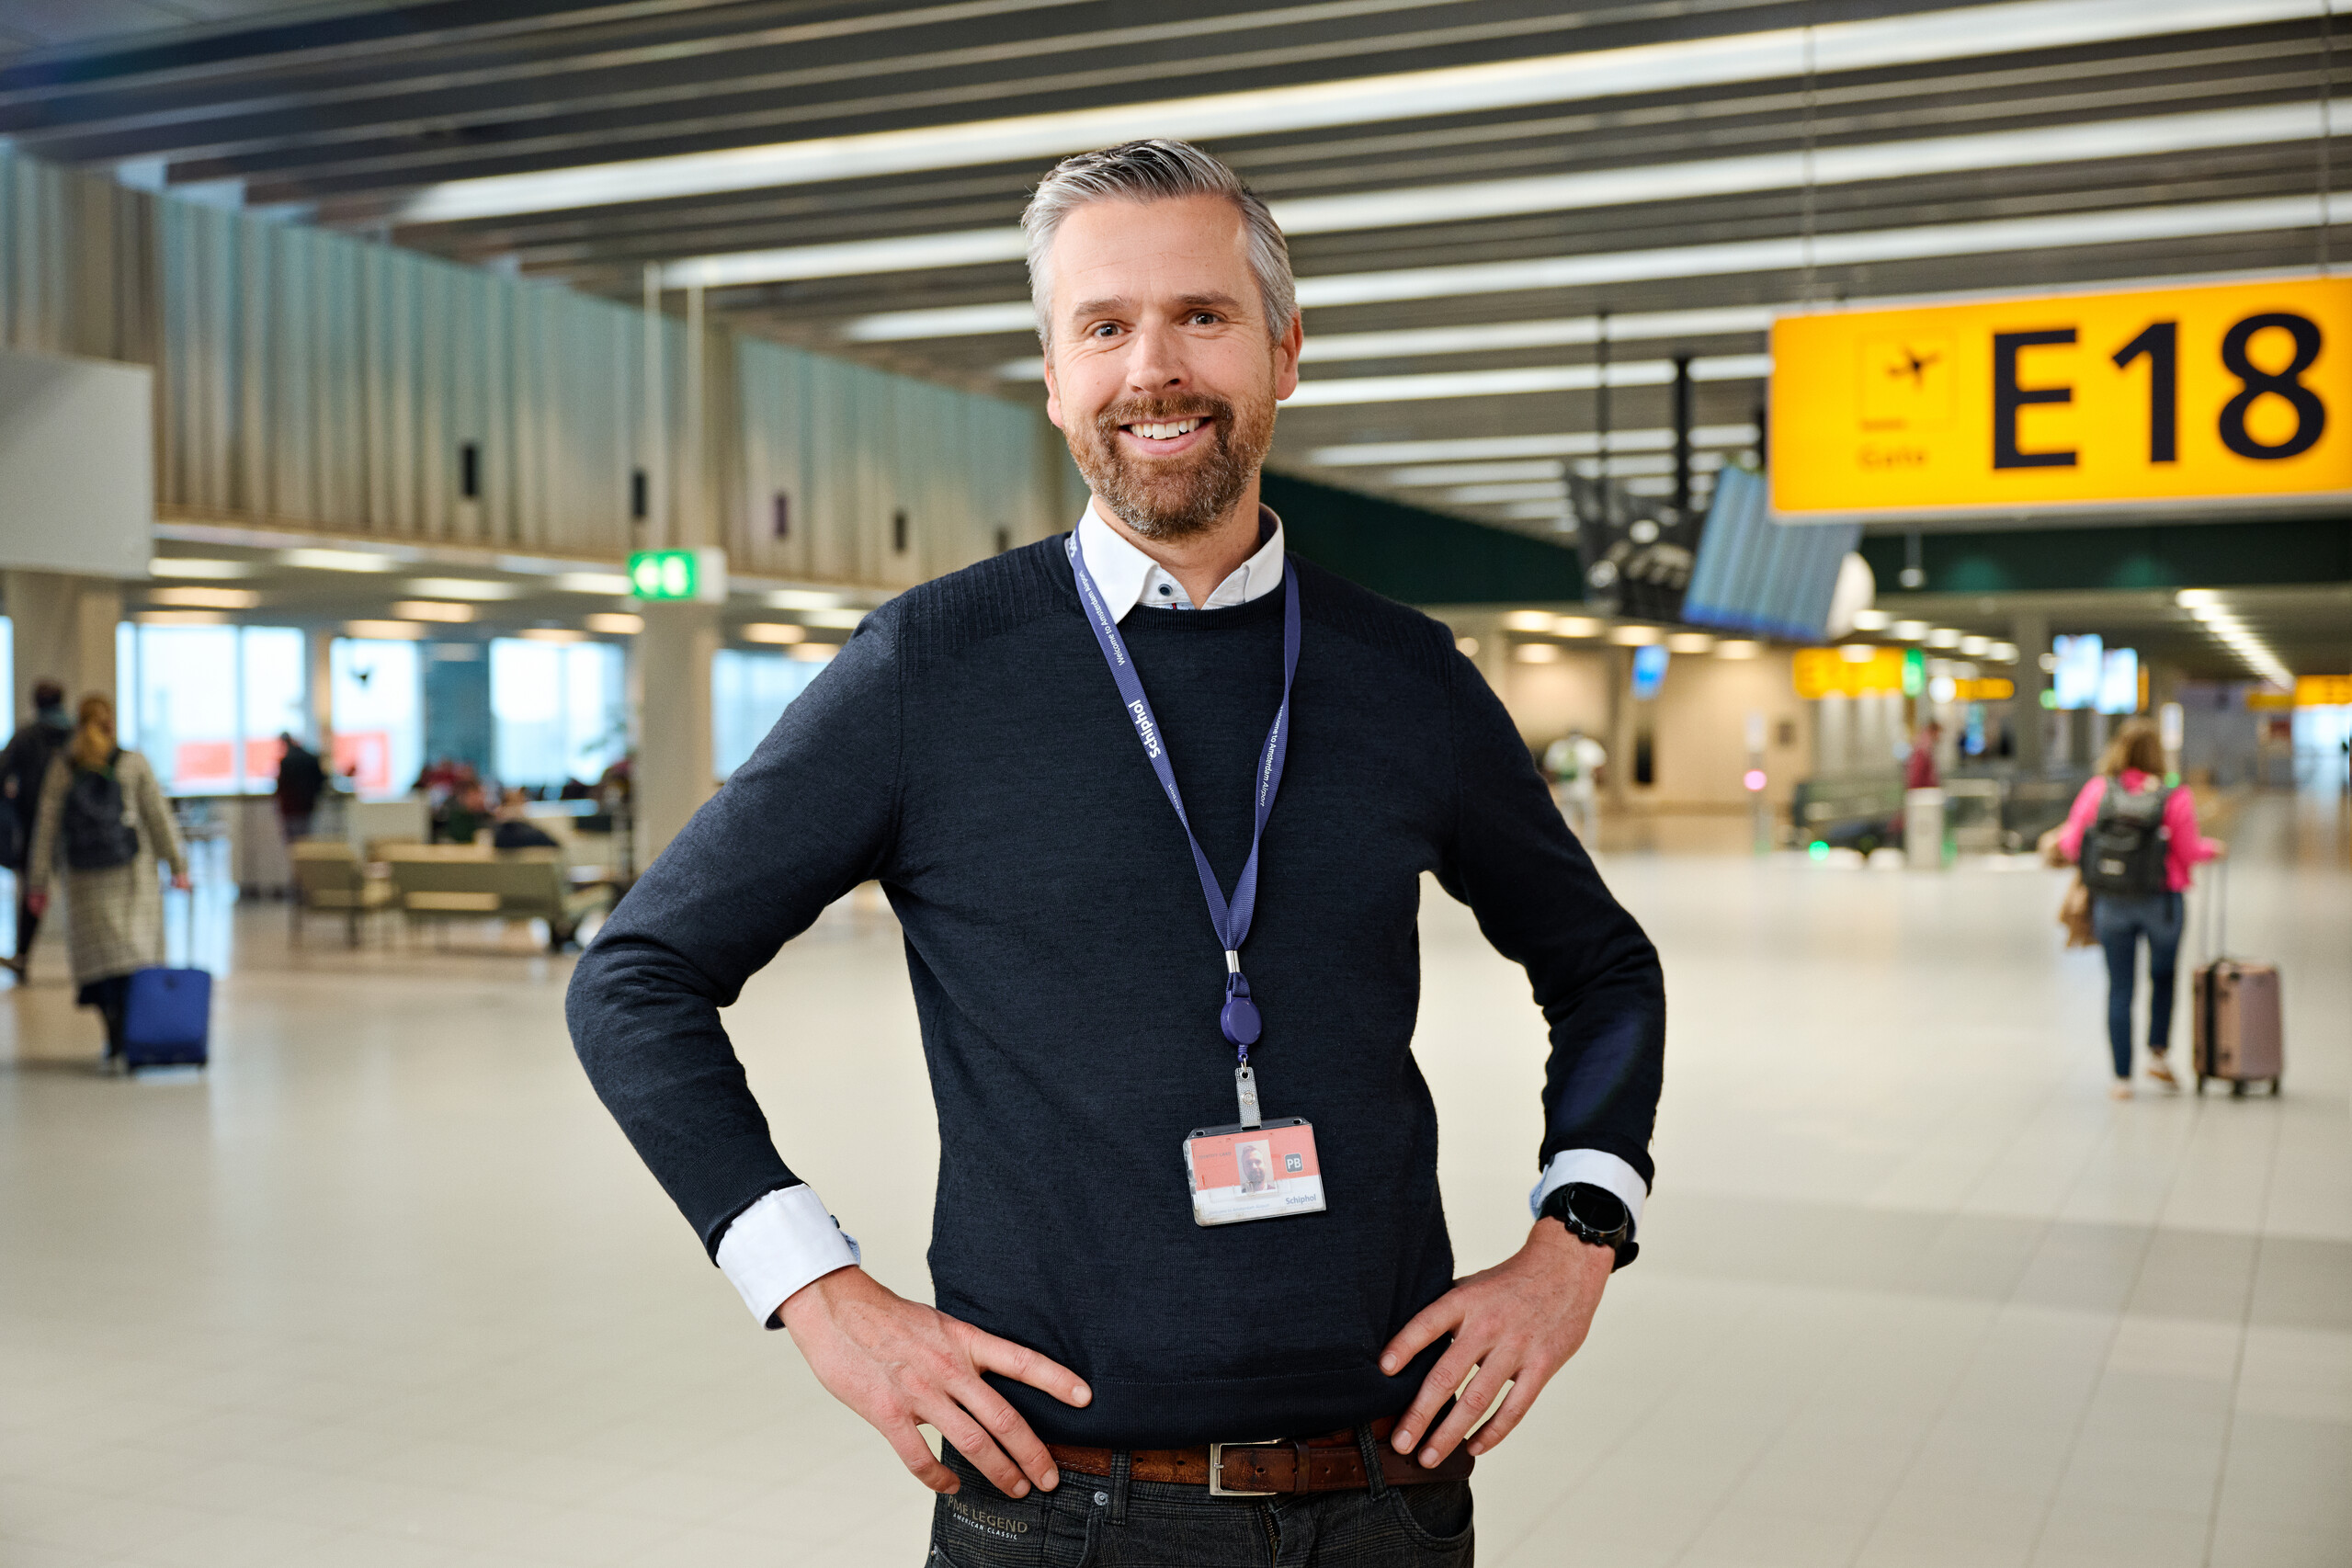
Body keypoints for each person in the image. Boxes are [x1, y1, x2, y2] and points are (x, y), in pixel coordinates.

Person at [568, 139, 1664, 1565]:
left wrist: (1574, 1239)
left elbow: (1601, 967)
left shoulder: (1403, 676)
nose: (1151, 367)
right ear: (1052, 376)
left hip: (1388, 1493)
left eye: (1199, 317)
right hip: (1058, 1509)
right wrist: (818, 1291)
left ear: (1282, 351)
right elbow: (636, 973)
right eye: (1102, 326)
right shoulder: (929, 668)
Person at [2055, 717, 2221, 1099]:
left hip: (2112, 903)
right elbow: (2189, 851)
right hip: (2162, 903)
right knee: (2162, 979)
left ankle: (2121, 1079)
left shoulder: (2099, 791)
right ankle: (2158, 1056)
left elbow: (2070, 845)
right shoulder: (2173, 795)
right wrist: (2214, 849)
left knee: (2120, 987)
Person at [25, 695, 189, 1061]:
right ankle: (130, 1029)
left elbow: (46, 827)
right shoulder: (133, 764)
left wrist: (37, 883)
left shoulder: (64, 768)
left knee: (100, 966)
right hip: (133, 877)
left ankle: (113, 1028)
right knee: (132, 959)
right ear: (111, 724)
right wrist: (178, 865)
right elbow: (158, 818)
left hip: (85, 882)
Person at [1, 678, 74, 978]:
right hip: (73, 825)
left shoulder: (26, 736)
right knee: (76, 888)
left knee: (34, 887)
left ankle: (22, 956)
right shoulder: (77, 736)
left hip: (32, 824)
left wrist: (12, 797)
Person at [1544, 729, 1606, 843]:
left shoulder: (1559, 747)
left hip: (1567, 790)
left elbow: (1550, 771)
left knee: (1568, 820)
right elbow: (1600, 768)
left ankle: (1570, 845)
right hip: (1583, 790)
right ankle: (1587, 847)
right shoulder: (1588, 746)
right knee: (1588, 821)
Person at [274, 731, 328, 842]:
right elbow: (322, 780)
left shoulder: (286, 762)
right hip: (307, 806)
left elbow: (281, 786)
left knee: (294, 843)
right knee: (305, 840)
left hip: (290, 809)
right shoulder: (310, 758)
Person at [1904, 719, 1942, 790]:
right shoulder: (1923, 751)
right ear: (1934, 732)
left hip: (1924, 791)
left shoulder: (1926, 749)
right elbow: (1916, 776)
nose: (1940, 737)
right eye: (1939, 733)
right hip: (1922, 793)